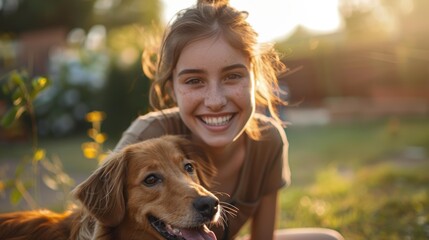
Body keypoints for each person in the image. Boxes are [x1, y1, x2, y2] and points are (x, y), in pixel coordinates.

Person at [114, 0, 344, 239]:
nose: (215, 101)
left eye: (232, 76)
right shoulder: (146, 138)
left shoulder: (268, 141)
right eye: (194, 80)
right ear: (172, 89)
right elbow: (95, 224)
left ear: (255, 78)